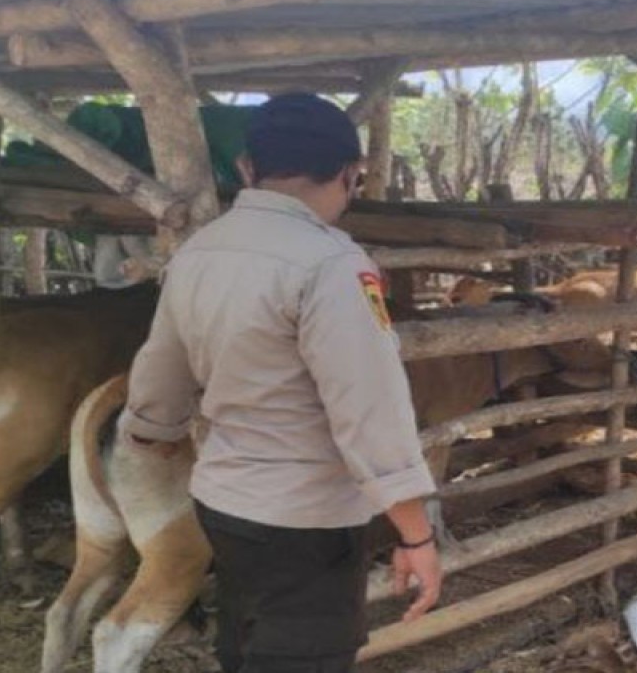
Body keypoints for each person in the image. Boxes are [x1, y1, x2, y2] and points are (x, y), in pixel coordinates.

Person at [118, 92, 441, 673]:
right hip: (306, 517)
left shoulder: (198, 251)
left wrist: (151, 430)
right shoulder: (333, 264)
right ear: (351, 173)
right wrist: (415, 534)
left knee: (244, 643)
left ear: (248, 167)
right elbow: (368, 406)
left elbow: (161, 364)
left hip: (223, 502)